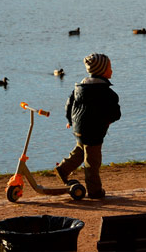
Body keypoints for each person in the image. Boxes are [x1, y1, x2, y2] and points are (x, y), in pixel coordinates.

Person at [55, 53, 121, 199]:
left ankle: (63, 169)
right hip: (94, 131)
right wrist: (109, 120)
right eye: (110, 67)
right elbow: (115, 113)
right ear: (103, 71)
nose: (112, 70)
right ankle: (95, 191)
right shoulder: (107, 93)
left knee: (80, 150)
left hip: (78, 127)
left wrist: (70, 120)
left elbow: (69, 105)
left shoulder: (79, 88)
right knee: (92, 161)